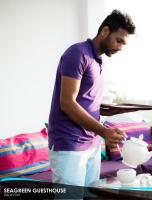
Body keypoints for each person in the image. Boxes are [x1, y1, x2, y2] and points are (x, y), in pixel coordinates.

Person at [48, 10, 136, 187]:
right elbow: (67, 103)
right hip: (69, 144)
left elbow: (84, 100)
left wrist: (106, 110)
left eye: (124, 44)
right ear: (104, 31)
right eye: (118, 40)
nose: (120, 48)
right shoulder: (77, 53)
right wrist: (104, 132)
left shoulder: (98, 60)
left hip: (92, 144)